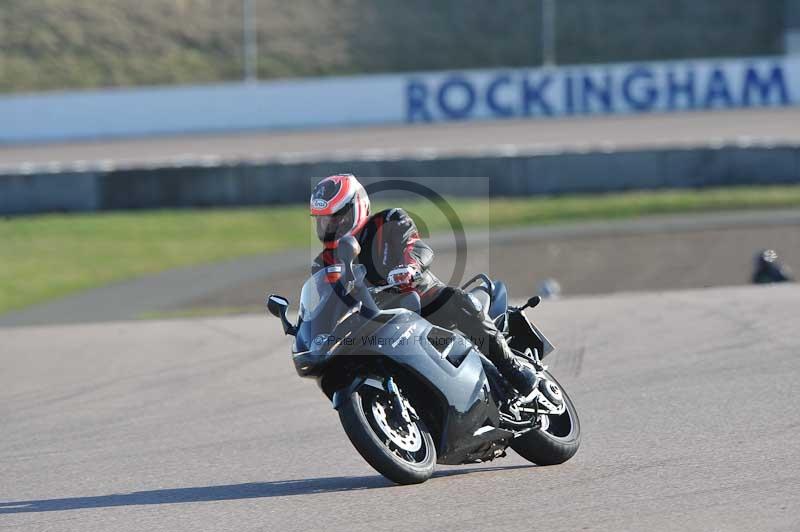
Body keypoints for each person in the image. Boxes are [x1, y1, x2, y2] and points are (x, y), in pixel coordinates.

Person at [309, 174, 538, 399]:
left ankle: (512, 368)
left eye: (336, 217)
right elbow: (328, 301)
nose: (329, 226)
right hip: (376, 324)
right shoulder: (324, 262)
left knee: (458, 300)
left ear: (357, 207)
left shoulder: (389, 220)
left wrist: (409, 268)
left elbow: (416, 247)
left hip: (423, 301)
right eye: (322, 220)